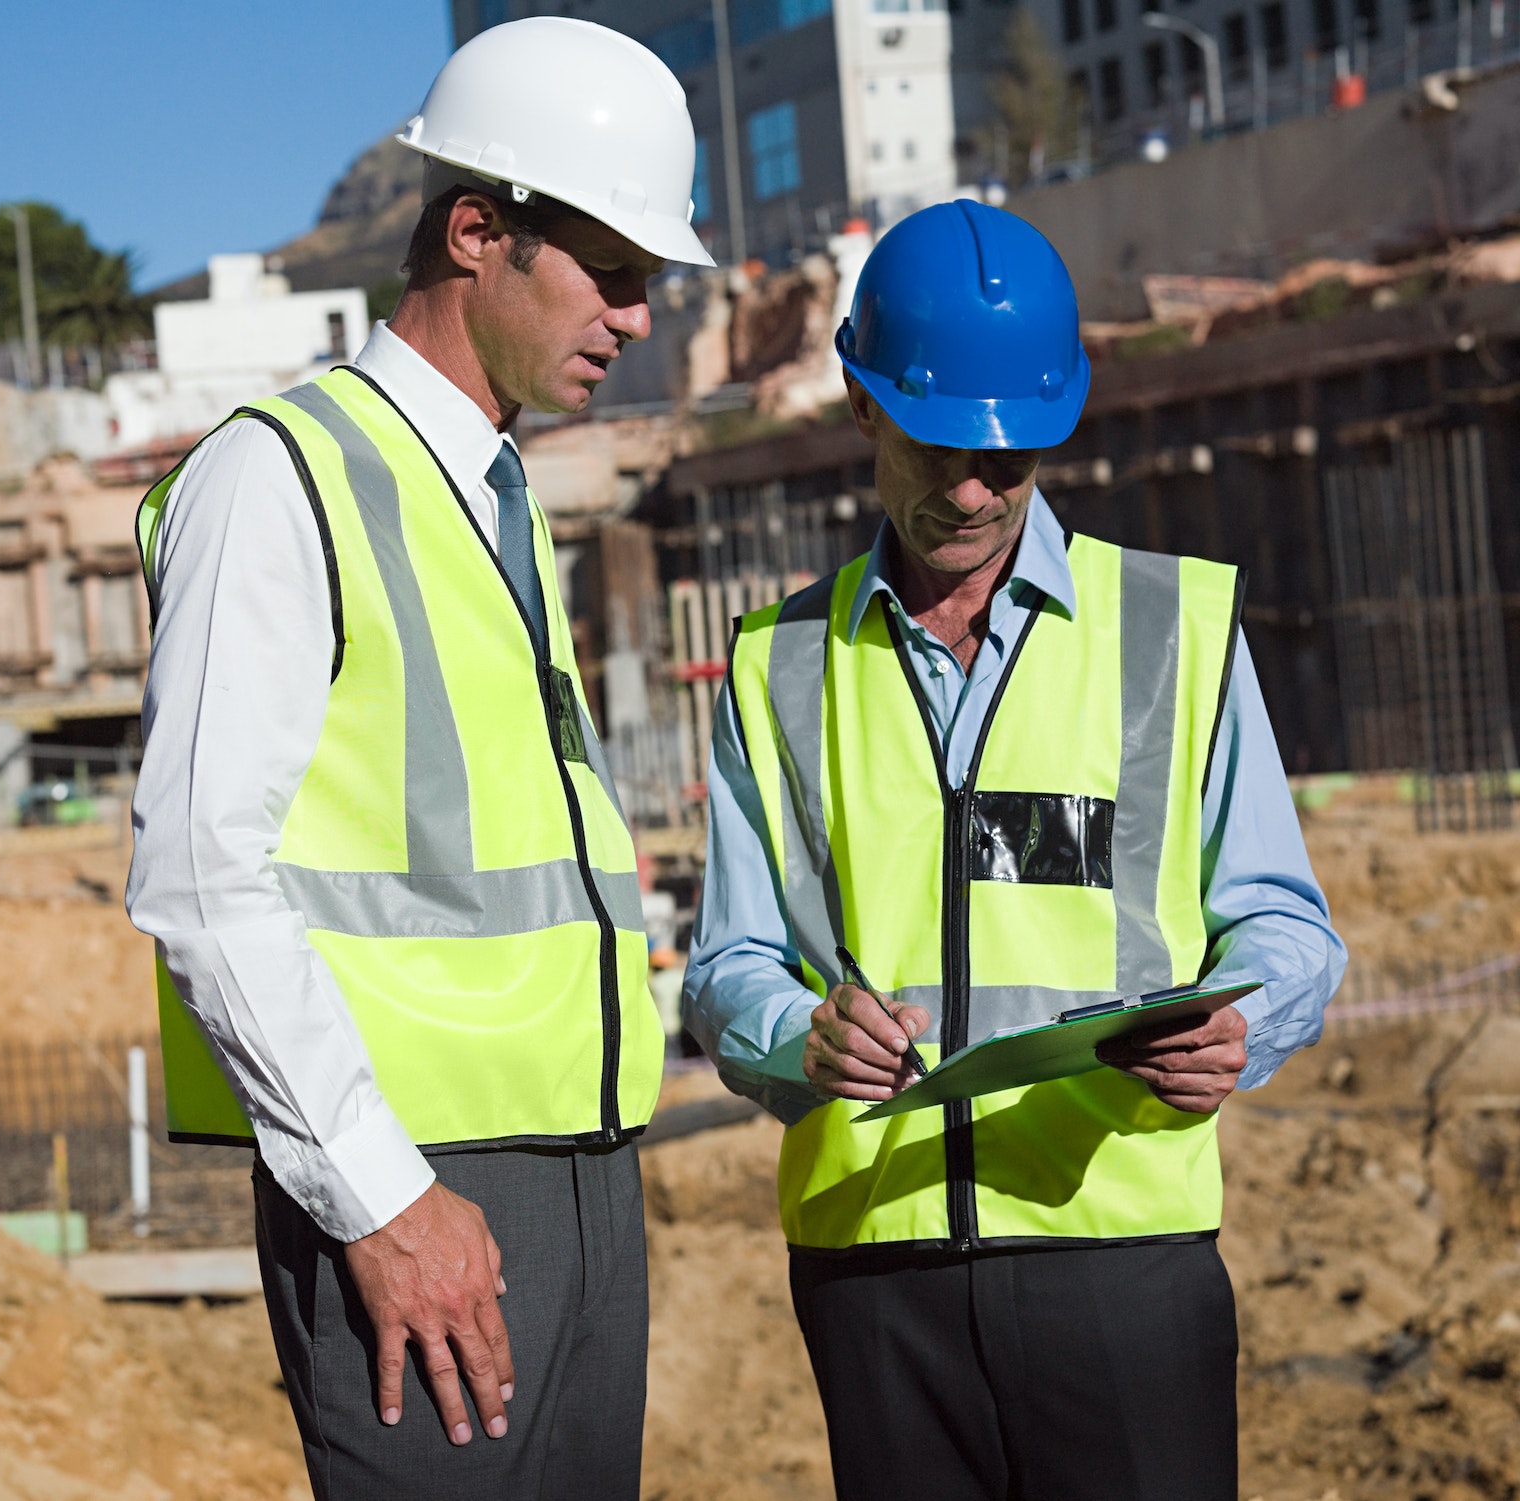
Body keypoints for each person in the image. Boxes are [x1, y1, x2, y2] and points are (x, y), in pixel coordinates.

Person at [125, 19, 711, 1499]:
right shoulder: (282, 476)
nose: (639, 319)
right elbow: (200, 872)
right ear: (476, 232)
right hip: (414, 1182)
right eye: (615, 273)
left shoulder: (491, 498)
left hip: (577, 1170)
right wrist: (382, 1200)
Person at [684, 200, 1346, 1501]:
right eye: (940, 449)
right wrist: (796, 1031)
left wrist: (1245, 1025)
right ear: (863, 408)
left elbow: (1284, 922)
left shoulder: (1173, 628)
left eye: (1014, 457)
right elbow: (725, 959)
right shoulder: (777, 667)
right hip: (876, 1271)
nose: (977, 491)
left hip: (1123, 1251)